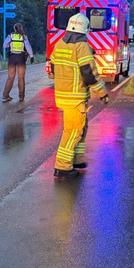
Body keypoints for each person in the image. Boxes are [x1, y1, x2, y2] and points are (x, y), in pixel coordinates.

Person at [50, 12, 108, 178]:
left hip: (63, 94)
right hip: (75, 97)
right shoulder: (82, 46)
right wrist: (102, 92)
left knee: (81, 128)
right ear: (85, 29)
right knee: (73, 130)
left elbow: (54, 67)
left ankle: (77, 159)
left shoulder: (60, 43)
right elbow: (89, 73)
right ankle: (62, 166)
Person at [2, 23, 34, 102]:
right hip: (21, 58)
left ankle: (5, 95)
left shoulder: (11, 36)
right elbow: (28, 47)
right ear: (21, 28)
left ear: (14, 29)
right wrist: (31, 56)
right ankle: (21, 96)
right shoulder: (24, 36)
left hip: (12, 58)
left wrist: (10, 45)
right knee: (21, 78)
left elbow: (4, 45)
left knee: (10, 77)